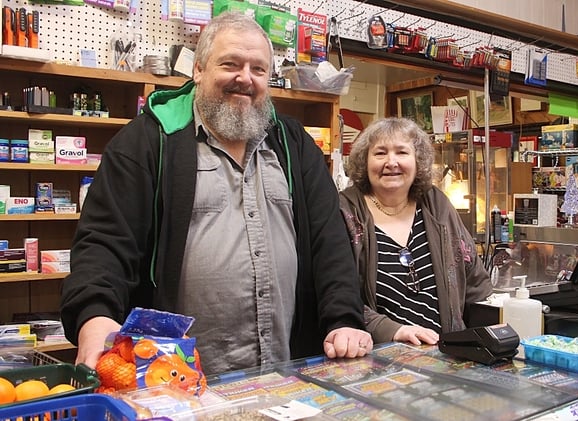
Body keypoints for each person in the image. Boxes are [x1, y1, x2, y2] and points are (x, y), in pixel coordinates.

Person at [60, 12, 371, 375]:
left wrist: (343, 318)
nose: (245, 78)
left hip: (285, 375)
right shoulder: (146, 142)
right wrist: (94, 316)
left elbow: (329, 241)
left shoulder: (293, 144)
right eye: (230, 64)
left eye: (258, 69)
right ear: (199, 70)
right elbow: (104, 244)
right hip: (171, 379)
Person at [339, 117, 493, 345]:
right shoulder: (345, 212)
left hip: (446, 354)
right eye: (380, 153)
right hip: (374, 356)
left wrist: (491, 332)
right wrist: (392, 331)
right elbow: (337, 295)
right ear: (364, 161)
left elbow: (475, 282)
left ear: (418, 160)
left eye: (402, 152)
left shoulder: (436, 204)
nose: (391, 162)